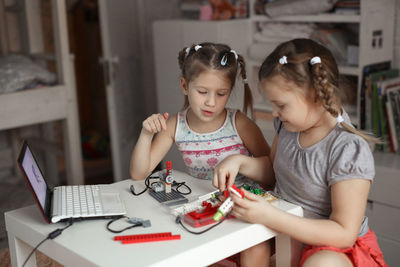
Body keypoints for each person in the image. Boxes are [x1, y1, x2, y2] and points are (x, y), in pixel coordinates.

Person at [213, 38, 387, 267]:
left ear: (316, 95)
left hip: (331, 244)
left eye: (281, 105)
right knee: (242, 244)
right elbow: (274, 172)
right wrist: (239, 162)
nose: (274, 113)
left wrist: (269, 216)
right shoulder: (288, 127)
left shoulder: (347, 149)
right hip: (286, 230)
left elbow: (344, 233)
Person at [130, 42, 270, 190]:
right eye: (202, 92)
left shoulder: (240, 124)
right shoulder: (175, 125)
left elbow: (272, 172)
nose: (211, 102)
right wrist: (146, 134)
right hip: (203, 205)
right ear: (185, 86)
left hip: (243, 204)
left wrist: (240, 162)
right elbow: (138, 174)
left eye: (221, 94)